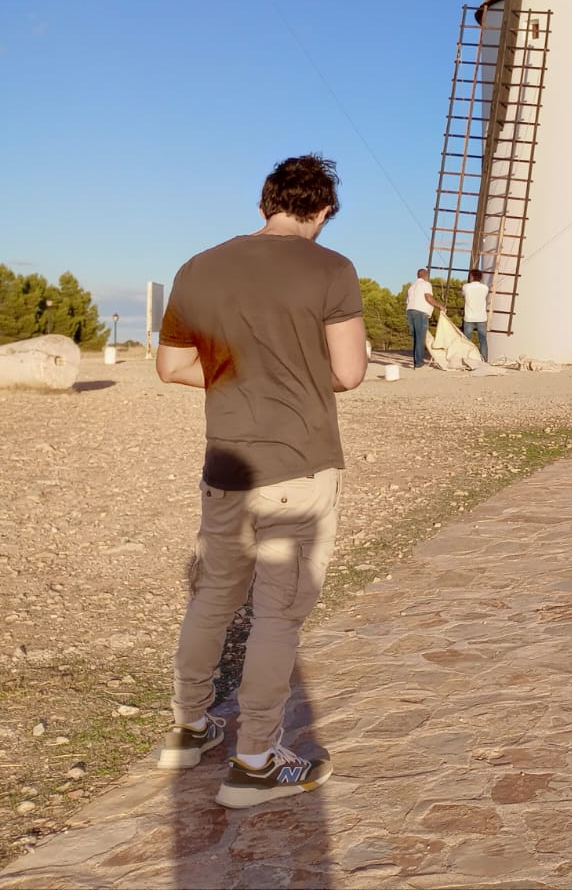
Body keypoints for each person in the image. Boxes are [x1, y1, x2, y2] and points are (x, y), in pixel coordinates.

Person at [156, 154, 367, 807]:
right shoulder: (332, 269)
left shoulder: (199, 266)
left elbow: (170, 366)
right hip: (297, 465)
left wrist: (235, 374)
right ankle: (255, 762)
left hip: (225, 464)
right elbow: (351, 371)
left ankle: (189, 729)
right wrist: (293, 377)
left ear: (264, 204)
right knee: (277, 611)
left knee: (215, 594)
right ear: (324, 210)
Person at [405, 268, 441, 368]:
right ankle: (419, 362)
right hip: (420, 312)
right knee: (421, 337)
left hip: (410, 311)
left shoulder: (411, 286)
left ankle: (416, 361)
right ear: (425, 275)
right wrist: (440, 306)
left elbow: (407, 301)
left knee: (416, 338)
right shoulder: (426, 284)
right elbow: (428, 297)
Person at [460, 269, 490, 361]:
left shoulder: (466, 287)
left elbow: (462, 294)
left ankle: (466, 359)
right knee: (483, 341)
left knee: (467, 341)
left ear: (471, 277)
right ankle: (484, 360)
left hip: (469, 317)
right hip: (481, 317)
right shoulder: (485, 288)